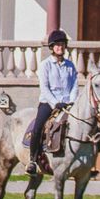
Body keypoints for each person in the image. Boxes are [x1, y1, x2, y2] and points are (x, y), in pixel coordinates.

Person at [28, 30, 78, 176]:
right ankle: (32, 160)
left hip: (68, 104)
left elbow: (74, 85)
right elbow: (44, 88)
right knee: (38, 128)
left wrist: (71, 101)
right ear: (52, 47)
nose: (60, 47)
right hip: (48, 103)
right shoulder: (45, 65)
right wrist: (56, 103)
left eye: (62, 45)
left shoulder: (70, 66)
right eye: (57, 45)